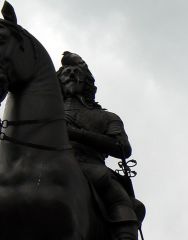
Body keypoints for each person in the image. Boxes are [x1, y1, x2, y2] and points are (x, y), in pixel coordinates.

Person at [57, 51, 140, 240]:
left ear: (85, 82)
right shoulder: (42, 111)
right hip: (44, 162)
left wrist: (75, 133)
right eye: (65, 73)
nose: (70, 75)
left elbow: (122, 148)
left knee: (121, 200)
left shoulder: (107, 117)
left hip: (91, 167)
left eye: (75, 73)